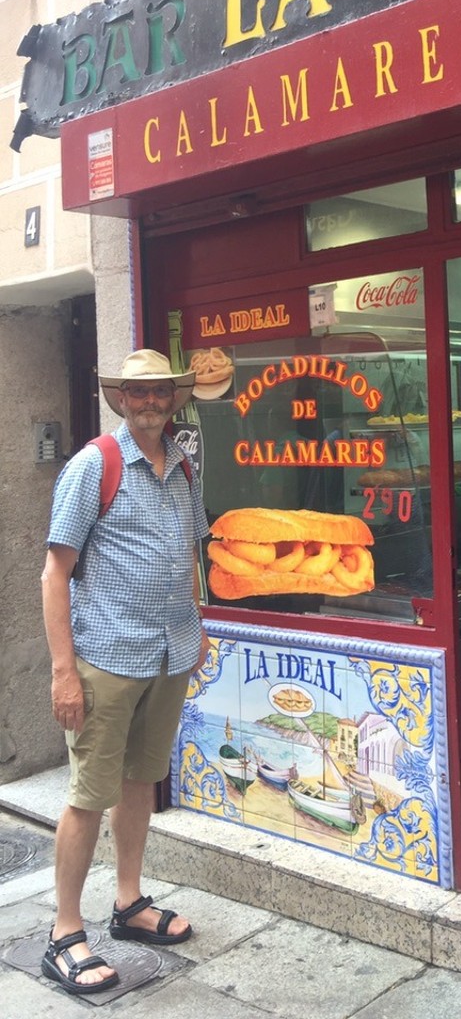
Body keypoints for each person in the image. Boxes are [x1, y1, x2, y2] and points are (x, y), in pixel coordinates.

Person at [39, 349, 210, 996]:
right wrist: (63, 672)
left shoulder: (184, 467)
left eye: (160, 391)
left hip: (169, 654)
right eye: (138, 393)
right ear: (120, 399)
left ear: (174, 397)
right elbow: (55, 573)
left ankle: (130, 903)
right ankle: (63, 932)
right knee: (88, 794)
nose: (150, 401)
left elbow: (188, 553)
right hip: (106, 660)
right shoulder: (94, 466)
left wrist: (196, 623)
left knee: (141, 781)